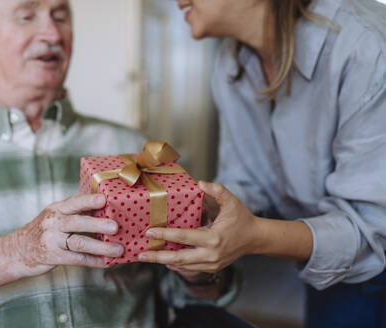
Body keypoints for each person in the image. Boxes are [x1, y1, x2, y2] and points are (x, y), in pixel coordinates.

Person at [0, 0, 238, 327]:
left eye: (60, 15)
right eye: (27, 15)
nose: (52, 34)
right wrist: (18, 250)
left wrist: (201, 271)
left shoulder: (135, 153)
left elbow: (200, 299)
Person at [139, 0, 386, 327]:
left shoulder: (366, 47)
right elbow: (251, 183)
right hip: (337, 265)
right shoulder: (232, 62)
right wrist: (199, 208)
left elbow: (373, 232)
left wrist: (253, 234)